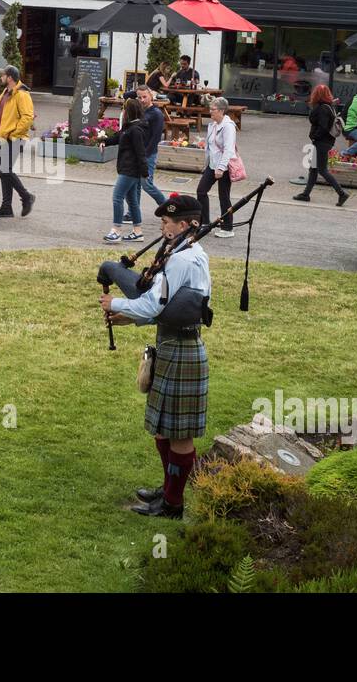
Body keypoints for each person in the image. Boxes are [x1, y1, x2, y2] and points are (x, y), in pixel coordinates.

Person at [99, 194, 211, 520]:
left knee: (179, 434)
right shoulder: (185, 253)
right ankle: (169, 489)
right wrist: (129, 319)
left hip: (182, 350)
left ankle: (173, 505)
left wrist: (116, 305)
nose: (162, 227)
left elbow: (152, 305)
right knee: (165, 429)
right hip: (174, 346)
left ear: (186, 225)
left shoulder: (183, 260)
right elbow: (165, 309)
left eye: (167, 222)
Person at [0, 65, 36, 218]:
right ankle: (6, 207)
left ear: (9, 77)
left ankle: (26, 197)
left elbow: (28, 117)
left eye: (3, 76)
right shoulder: (6, 93)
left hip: (14, 139)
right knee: (3, 171)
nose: (0, 78)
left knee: (4, 170)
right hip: (2, 138)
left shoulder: (22, 94)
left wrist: (14, 134)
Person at [293, 84, 349, 206]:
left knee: (322, 170)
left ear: (316, 94)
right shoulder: (328, 106)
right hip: (324, 142)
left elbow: (323, 126)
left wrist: (315, 136)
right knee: (313, 169)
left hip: (321, 142)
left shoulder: (323, 108)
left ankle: (341, 193)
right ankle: (306, 194)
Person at [105, 98, 149, 244]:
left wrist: (144, 172)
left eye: (124, 109)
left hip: (130, 170)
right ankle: (138, 232)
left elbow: (141, 152)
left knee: (117, 197)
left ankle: (116, 230)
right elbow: (118, 137)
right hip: (128, 169)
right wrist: (103, 141)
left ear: (128, 111)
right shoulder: (129, 127)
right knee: (132, 201)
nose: (122, 111)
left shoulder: (135, 130)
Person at [119, 84, 167, 214]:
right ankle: (133, 212)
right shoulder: (139, 110)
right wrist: (136, 93)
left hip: (148, 154)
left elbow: (155, 138)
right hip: (137, 154)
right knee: (135, 185)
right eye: (139, 97)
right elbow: (125, 96)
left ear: (151, 96)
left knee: (146, 184)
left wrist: (144, 156)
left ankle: (167, 206)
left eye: (145, 97)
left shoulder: (156, 114)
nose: (142, 100)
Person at [196, 97, 237, 239]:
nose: (210, 111)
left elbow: (229, 149)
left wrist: (221, 168)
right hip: (212, 165)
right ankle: (205, 223)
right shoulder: (212, 125)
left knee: (224, 196)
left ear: (221, 110)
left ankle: (228, 228)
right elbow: (209, 147)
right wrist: (206, 164)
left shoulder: (228, 126)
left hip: (223, 167)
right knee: (201, 191)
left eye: (212, 109)